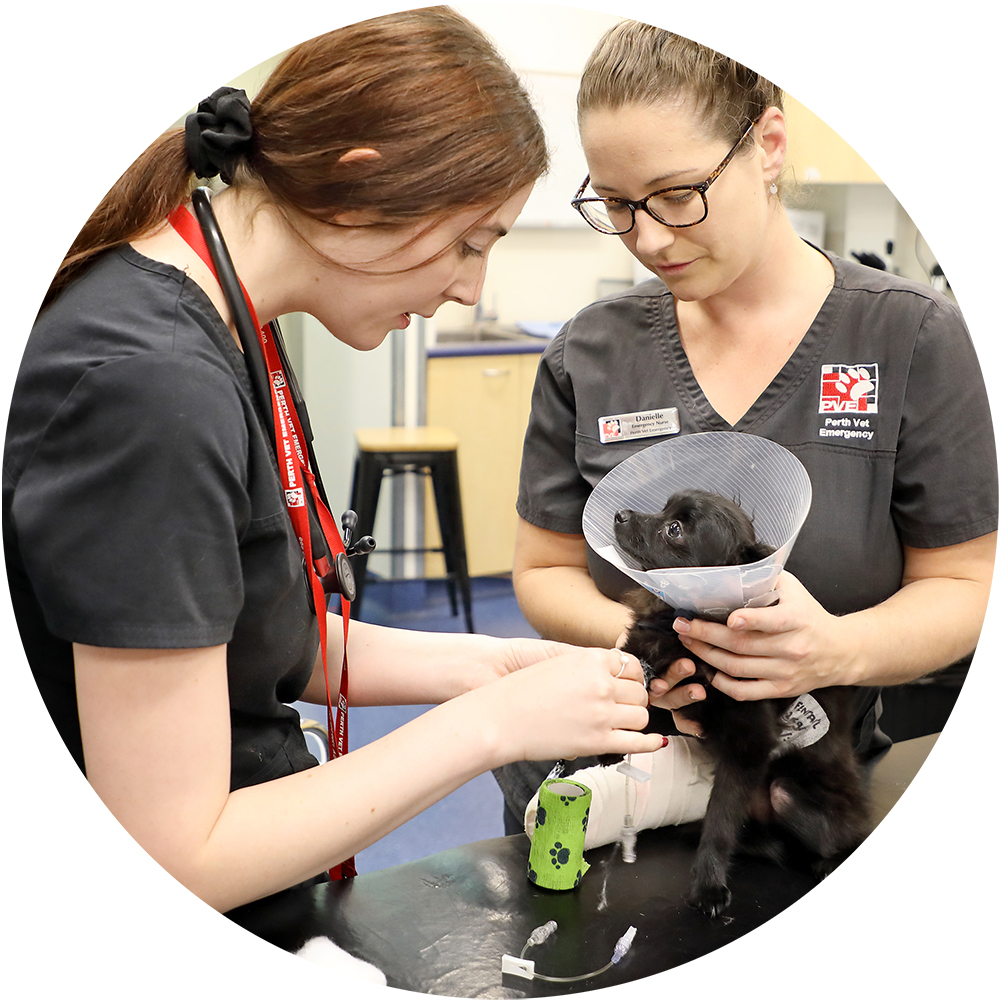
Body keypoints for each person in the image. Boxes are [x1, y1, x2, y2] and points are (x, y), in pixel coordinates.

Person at [3, 7, 666, 915]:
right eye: (469, 242)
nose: (471, 286)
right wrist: (490, 726)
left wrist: (491, 667)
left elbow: (261, 635)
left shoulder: (241, 324)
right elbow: (173, 856)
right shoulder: (150, 385)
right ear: (362, 185)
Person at [495, 19, 997, 832]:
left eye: (677, 195)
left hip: (798, 794)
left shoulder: (910, 340)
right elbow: (543, 571)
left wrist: (836, 649)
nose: (649, 238)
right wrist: (660, 644)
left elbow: (967, 586)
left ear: (767, 144)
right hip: (607, 783)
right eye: (617, 205)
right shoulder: (589, 354)